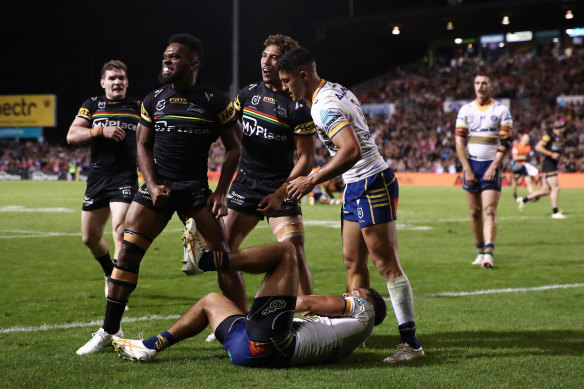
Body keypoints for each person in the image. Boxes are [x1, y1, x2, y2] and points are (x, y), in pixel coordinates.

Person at [76, 33, 245, 355]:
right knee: (126, 252)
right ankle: (108, 330)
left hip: (195, 191)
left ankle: (239, 324)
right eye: (165, 56)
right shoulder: (154, 99)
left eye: (174, 57)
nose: (166, 61)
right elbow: (142, 144)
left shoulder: (215, 100)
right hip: (157, 191)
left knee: (224, 258)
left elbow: (236, 146)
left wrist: (222, 193)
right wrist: (151, 184)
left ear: (193, 63)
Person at [275, 47, 424, 363]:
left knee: (385, 264)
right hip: (356, 185)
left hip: (371, 181)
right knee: (352, 262)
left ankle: (411, 344)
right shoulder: (333, 91)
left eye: (287, 81)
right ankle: (357, 333)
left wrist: (312, 179)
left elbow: (351, 149)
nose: (285, 88)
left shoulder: (324, 105)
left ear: (303, 75)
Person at [113, 231, 387, 367]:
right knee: (211, 300)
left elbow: (308, 303)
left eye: (357, 293)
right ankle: (150, 346)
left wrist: (280, 298)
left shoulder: (366, 311)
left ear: (369, 302)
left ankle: (208, 260)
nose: (349, 293)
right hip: (251, 349)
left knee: (286, 252)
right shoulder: (352, 336)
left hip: (272, 344)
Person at [216, 34, 316, 298]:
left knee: (295, 253)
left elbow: (307, 158)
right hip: (245, 184)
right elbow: (228, 135)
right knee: (224, 252)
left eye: (274, 57)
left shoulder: (297, 106)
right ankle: (235, 316)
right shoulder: (247, 94)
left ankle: (311, 314)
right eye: (264, 55)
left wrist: (281, 193)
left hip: (280, 187)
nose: (266, 62)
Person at [66, 60, 140, 296]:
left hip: (125, 177)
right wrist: (100, 130)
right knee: (89, 238)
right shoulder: (92, 105)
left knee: (121, 231)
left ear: (127, 82)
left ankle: (117, 291)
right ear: (103, 83)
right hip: (98, 178)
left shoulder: (137, 106)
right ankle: (109, 272)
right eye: (112, 78)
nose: (117, 82)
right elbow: (72, 135)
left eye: (121, 78)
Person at [455, 72, 513, 269]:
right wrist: (467, 169)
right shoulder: (466, 110)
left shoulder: (501, 110)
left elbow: (506, 141)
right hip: (471, 165)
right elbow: (459, 141)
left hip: (491, 165)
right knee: (474, 212)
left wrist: (494, 166)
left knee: (489, 209)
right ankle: (479, 252)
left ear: (491, 86)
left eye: (484, 83)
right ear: (474, 86)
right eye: (477, 83)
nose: (480, 86)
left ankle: (489, 253)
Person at [517, 120, 567, 219]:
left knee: (545, 191)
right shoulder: (549, 136)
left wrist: (561, 159)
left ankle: (523, 199)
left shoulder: (560, 138)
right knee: (555, 188)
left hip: (551, 165)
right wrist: (551, 154)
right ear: (561, 128)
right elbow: (538, 147)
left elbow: (556, 153)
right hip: (549, 166)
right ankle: (555, 212)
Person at [510, 133, 538, 201]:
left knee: (529, 181)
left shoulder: (529, 147)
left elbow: (531, 156)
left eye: (528, 138)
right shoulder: (516, 146)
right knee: (515, 181)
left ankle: (532, 195)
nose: (528, 139)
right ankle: (515, 195)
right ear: (522, 138)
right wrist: (525, 157)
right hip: (517, 166)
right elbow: (515, 157)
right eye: (527, 138)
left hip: (525, 166)